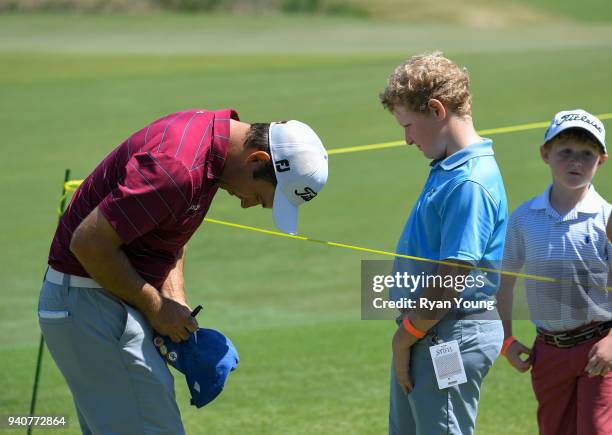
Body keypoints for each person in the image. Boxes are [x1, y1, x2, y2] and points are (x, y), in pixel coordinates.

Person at [38, 109, 328, 434]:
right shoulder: (177, 168)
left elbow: (170, 233)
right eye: (259, 196)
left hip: (101, 301)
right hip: (92, 302)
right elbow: (88, 243)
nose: (246, 205)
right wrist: (156, 306)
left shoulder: (209, 148)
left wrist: (175, 301)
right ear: (256, 159)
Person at [379, 52, 507, 435]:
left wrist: (404, 339)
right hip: (427, 328)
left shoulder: (469, 182)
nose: (406, 139)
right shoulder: (448, 167)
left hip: (449, 333)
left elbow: (452, 275)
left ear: (436, 110)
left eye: (408, 125)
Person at [497, 109, 611, 435]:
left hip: (599, 347)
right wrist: (506, 339)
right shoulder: (524, 218)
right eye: (565, 152)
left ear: (601, 160)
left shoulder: (606, 219)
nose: (576, 161)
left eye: (587, 154)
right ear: (545, 154)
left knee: (597, 430)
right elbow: (503, 282)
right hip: (548, 350)